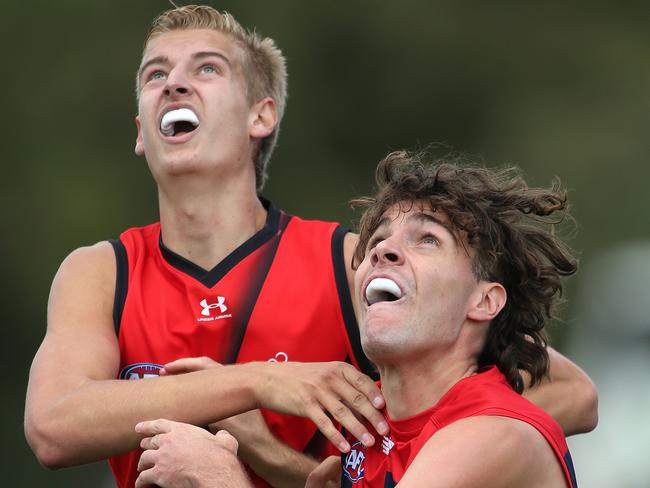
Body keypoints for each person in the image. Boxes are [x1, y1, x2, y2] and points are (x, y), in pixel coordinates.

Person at [24, 5, 596, 488]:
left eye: (207, 68)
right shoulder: (102, 271)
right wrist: (256, 383)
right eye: (155, 75)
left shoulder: (351, 261)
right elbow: (52, 428)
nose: (173, 83)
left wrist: (351, 466)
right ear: (140, 131)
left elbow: (570, 395)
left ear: (261, 115)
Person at [133, 151, 584, 487]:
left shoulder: (493, 431)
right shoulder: (371, 428)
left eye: (427, 239)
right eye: (379, 239)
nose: (381, 251)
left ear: (485, 302)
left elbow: (583, 397)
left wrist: (221, 478)